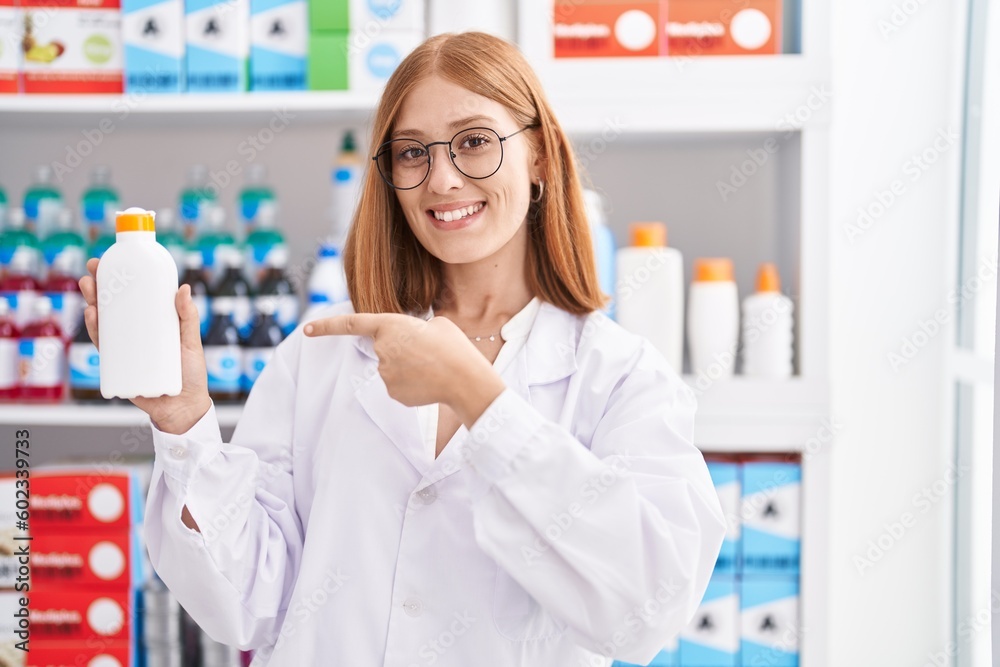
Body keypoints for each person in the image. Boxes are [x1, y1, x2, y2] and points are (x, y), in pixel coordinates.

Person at [79, 31, 725, 667]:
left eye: (474, 142)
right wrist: (185, 423)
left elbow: (646, 609)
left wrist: (481, 399)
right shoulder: (321, 355)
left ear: (539, 159)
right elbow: (250, 604)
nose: (442, 179)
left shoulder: (620, 377)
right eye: (412, 153)